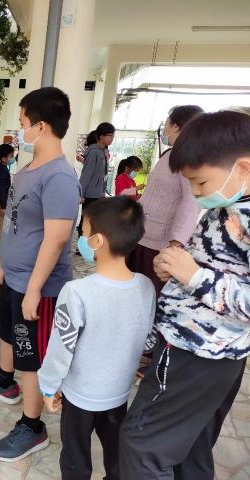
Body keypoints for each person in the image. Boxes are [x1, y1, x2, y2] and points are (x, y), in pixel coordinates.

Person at [119, 110, 250, 479]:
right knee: (191, 447)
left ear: (243, 168)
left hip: (199, 353)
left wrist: (193, 276)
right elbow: (219, 265)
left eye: (200, 182)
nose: (195, 193)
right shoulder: (228, 206)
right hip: (199, 349)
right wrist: (177, 269)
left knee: (141, 445)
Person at [0, 87, 81, 462]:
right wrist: (3, 259)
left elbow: (57, 238)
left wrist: (34, 288)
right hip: (14, 275)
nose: (19, 130)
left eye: (22, 123)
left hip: (39, 287)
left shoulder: (60, 177)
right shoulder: (27, 170)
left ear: (41, 126)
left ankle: (32, 426)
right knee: (8, 333)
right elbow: (15, 223)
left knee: (31, 355)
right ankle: (4, 381)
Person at [39, 196, 156, 480]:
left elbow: (60, 348)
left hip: (80, 395)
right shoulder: (145, 286)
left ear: (98, 242)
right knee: (116, 454)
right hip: (118, 392)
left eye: (84, 232)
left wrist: (48, 386)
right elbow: (149, 339)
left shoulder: (76, 292)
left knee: (75, 458)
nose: (81, 238)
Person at [126, 105, 204, 297]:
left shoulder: (188, 158)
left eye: (167, 122)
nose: (165, 127)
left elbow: (190, 201)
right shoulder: (171, 154)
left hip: (160, 244)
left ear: (176, 126)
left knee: (149, 295)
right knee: (134, 291)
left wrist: (176, 243)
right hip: (142, 235)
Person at [78, 122, 116, 238]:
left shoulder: (104, 151)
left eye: (113, 136)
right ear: (101, 136)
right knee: (86, 221)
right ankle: (82, 244)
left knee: (94, 222)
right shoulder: (94, 152)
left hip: (99, 193)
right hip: (91, 194)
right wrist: (80, 194)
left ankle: (89, 243)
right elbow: (86, 174)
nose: (112, 138)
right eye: (110, 136)